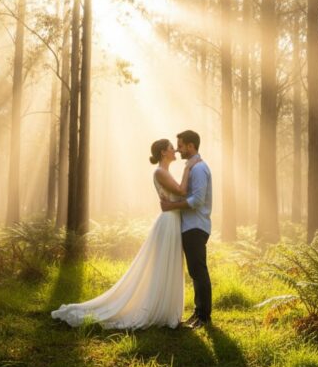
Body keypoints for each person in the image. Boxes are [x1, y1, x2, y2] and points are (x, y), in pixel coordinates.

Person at [50, 138, 198, 329]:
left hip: (172, 221)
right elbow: (182, 190)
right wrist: (188, 168)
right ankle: (157, 309)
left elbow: (178, 193)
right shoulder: (160, 172)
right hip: (168, 222)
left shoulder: (165, 172)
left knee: (168, 265)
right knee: (164, 264)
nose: (175, 151)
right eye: (171, 148)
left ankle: (166, 310)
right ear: (163, 152)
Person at [160, 130, 213, 329]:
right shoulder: (193, 167)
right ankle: (198, 313)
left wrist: (172, 206)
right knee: (195, 271)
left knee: (198, 271)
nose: (178, 149)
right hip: (191, 226)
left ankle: (204, 317)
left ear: (191, 146)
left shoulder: (198, 169)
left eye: (181, 146)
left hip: (196, 226)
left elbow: (197, 200)